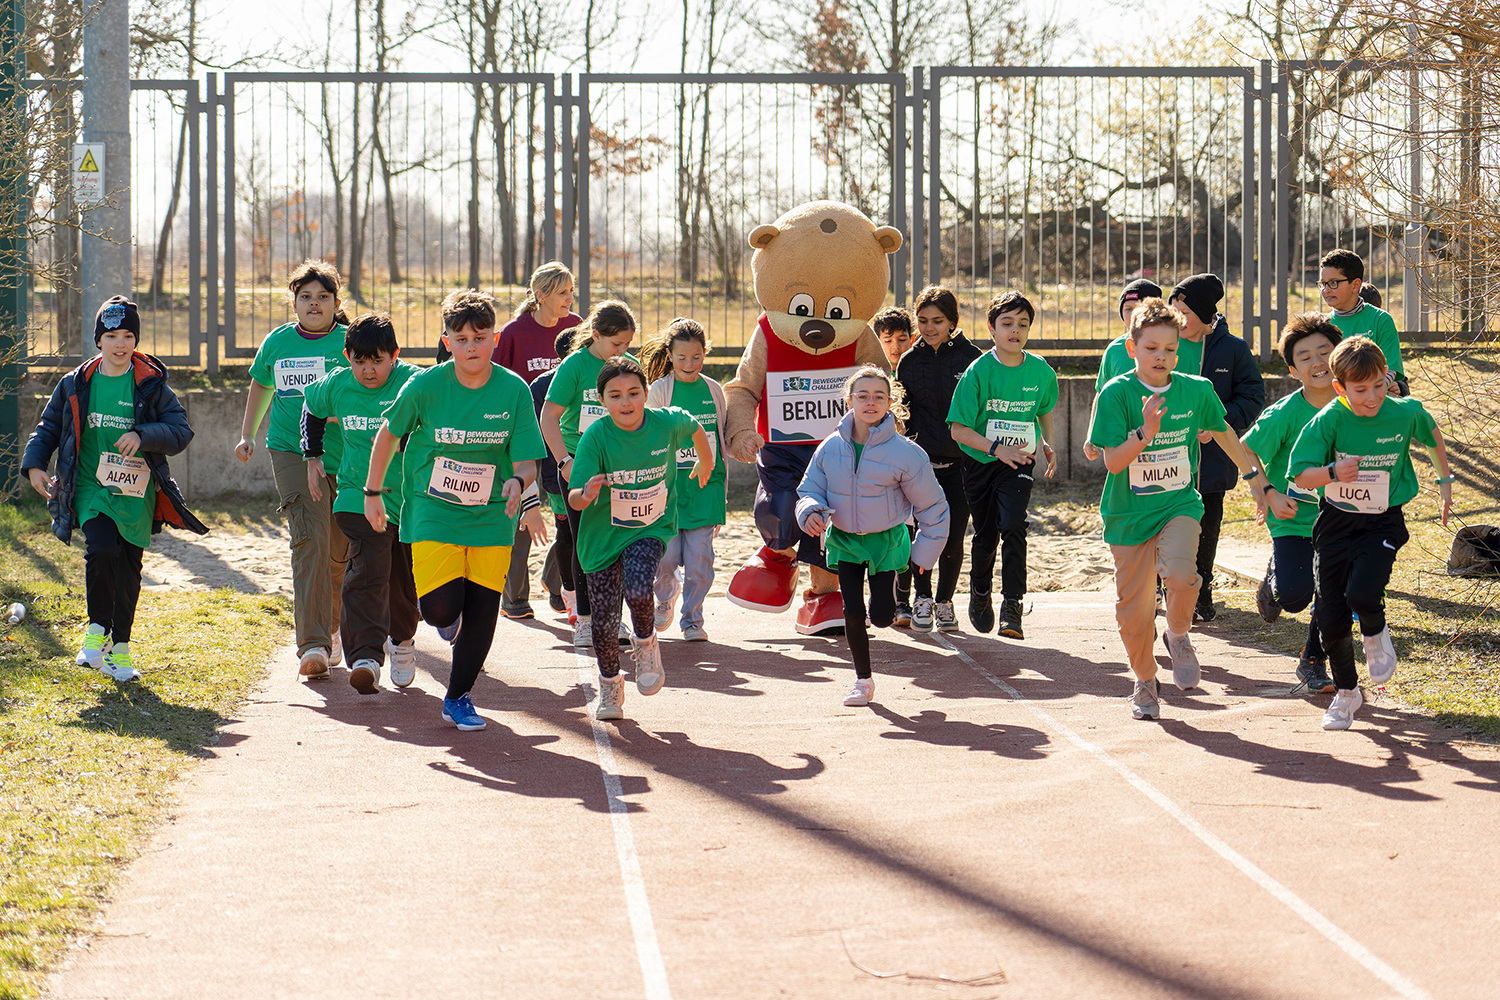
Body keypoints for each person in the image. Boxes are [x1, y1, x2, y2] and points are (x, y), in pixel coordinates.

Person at [363, 289, 545, 732]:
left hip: (492, 515)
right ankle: (450, 619)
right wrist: (372, 491)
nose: (470, 347)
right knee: (442, 610)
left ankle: (459, 697)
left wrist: (518, 483)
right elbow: (388, 435)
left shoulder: (513, 389)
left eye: (479, 337)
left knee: (484, 609)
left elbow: (526, 458)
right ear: (446, 339)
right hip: (432, 509)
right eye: (460, 338)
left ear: (495, 339)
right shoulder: (425, 385)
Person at [1088, 299, 1271, 720]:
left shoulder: (1195, 390)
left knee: (1182, 574)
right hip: (1128, 516)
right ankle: (1145, 681)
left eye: (1170, 349)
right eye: (1152, 348)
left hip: (1180, 504)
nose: (1162, 357)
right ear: (1132, 348)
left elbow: (1224, 431)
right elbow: (1114, 461)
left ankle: (1179, 632)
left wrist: (1253, 477)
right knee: (1133, 617)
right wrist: (1146, 431)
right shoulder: (1116, 393)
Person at [23, 296, 207, 682]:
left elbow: (180, 431)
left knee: (129, 570)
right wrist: (35, 465)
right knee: (101, 548)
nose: (120, 344)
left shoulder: (150, 385)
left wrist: (142, 434)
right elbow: (49, 427)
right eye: (111, 336)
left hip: (135, 492)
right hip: (90, 485)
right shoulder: (76, 383)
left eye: (128, 335)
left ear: (136, 340)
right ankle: (96, 628)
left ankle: (119, 649)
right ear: (99, 341)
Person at [1288, 336, 1452, 731]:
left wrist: (1445, 482)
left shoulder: (1404, 411)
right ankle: (1347, 694)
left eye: (1379, 385)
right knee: (1330, 616)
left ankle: (1376, 633)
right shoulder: (1329, 418)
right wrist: (1332, 473)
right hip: (1336, 523)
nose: (1373, 396)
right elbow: (1300, 474)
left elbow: (1432, 437)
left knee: (1361, 594)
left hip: (1382, 520)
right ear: (1340, 388)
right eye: (1361, 390)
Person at [569, 356, 713, 721]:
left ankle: (646, 644)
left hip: (651, 527)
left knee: (637, 588)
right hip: (602, 537)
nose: (626, 402)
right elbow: (574, 496)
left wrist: (706, 461)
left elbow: (695, 426)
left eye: (634, 393)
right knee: (602, 623)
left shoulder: (665, 422)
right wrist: (585, 494)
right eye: (615, 396)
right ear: (602, 401)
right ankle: (610, 686)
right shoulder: (595, 437)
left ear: (647, 393)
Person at [797, 366, 949, 707]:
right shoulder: (830, 447)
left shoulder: (906, 453)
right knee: (852, 610)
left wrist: (924, 555)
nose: (870, 402)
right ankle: (863, 681)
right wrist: (809, 511)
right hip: (845, 540)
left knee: (880, 616)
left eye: (879, 396)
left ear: (890, 402)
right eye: (862, 396)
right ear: (849, 400)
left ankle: (885, 601)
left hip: (887, 540)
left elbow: (933, 507)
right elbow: (810, 488)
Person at [235, 260, 351, 678]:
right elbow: (262, 385)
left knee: (340, 551)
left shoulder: (347, 342)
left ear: (337, 303)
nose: (314, 304)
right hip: (289, 451)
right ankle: (313, 644)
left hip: (346, 454)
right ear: (294, 302)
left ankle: (334, 625)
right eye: (306, 297)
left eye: (323, 297)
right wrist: (247, 433)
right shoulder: (279, 342)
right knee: (309, 540)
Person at [301, 313, 420, 694]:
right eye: (359, 362)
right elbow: (312, 407)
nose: (368, 371)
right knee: (367, 570)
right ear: (347, 356)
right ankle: (366, 657)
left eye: (378, 362)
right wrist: (313, 454)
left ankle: (401, 641)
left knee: (402, 581)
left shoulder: (414, 383)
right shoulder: (337, 384)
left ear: (395, 356)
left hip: (408, 498)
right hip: (355, 493)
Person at [946, 291, 1059, 639]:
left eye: (1022, 324)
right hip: (981, 461)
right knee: (985, 535)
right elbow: (958, 429)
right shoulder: (978, 371)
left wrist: (1046, 442)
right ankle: (980, 591)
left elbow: (1044, 410)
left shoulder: (1040, 370)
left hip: (1020, 461)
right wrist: (996, 449)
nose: (1015, 330)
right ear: (992, 329)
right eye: (1007, 323)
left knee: (1013, 523)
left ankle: (1013, 605)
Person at [1240, 314, 1341, 694]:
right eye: (1305, 357)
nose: (1317, 362)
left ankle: (1313, 659)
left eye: (1324, 352)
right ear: (1293, 368)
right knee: (1296, 596)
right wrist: (1266, 491)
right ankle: (1275, 579)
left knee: (1333, 590)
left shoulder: (1359, 403)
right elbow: (1246, 449)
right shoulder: (1286, 413)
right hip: (1293, 519)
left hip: (1341, 520)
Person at [1167, 273, 1265, 622]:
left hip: (1211, 458)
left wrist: (1219, 422)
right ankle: (1171, 588)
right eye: (1173, 309)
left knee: (1207, 523)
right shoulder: (1165, 344)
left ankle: (1202, 589)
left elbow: (1253, 395)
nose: (1178, 319)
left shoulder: (1232, 348)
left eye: (1186, 312)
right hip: (1167, 455)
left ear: (1206, 314)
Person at [541, 300, 638, 651]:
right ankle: (584, 618)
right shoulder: (575, 367)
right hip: (579, 464)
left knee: (620, 542)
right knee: (584, 543)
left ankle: (613, 614)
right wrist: (564, 461)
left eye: (628, 344)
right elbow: (549, 416)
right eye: (616, 344)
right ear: (595, 335)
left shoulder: (629, 367)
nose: (622, 352)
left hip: (620, 469)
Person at [492, 262, 581, 620]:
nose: (570, 299)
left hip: (565, 434)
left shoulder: (576, 328)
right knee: (523, 515)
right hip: (523, 435)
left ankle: (554, 578)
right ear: (540, 295)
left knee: (569, 519)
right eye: (563, 292)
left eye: (571, 291)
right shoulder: (515, 332)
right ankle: (514, 597)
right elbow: (496, 378)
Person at [892, 285, 980, 632]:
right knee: (925, 536)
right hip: (922, 467)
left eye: (938, 321)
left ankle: (945, 602)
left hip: (963, 465)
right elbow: (904, 414)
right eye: (923, 321)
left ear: (952, 322)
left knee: (954, 536)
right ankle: (923, 598)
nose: (930, 328)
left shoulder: (972, 358)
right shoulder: (909, 362)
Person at [642, 319, 728, 642]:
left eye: (696, 357)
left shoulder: (713, 390)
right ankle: (666, 595)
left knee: (700, 560)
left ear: (705, 353)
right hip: (668, 491)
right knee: (666, 558)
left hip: (706, 488)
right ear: (670, 355)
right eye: (681, 358)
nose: (689, 365)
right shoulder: (661, 390)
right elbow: (649, 436)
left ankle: (693, 619)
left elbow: (721, 437)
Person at [1083, 277, 1162, 463]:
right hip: (1123, 440)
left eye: (1139, 308)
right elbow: (1102, 393)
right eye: (1128, 309)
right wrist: (1092, 434)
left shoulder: (1173, 345)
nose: (1133, 314)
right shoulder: (1114, 350)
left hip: (1163, 439)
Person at [529, 330, 578, 624]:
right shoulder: (543, 386)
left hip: (591, 470)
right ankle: (567, 592)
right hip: (555, 474)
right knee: (566, 534)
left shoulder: (601, 377)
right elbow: (534, 434)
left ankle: (574, 592)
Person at [1319, 248, 1408, 397]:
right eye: (1323, 284)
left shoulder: (1381, 320)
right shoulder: (1323, 325)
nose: (1326, 290)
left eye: (1333, 283)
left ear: (1355, 285)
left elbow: (1390, 370)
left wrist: (1364, 395)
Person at [872, 306, 914, 371]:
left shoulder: (920, 371)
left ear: (912, 340)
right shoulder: (871, 376)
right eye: (888, 341)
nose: (896, 346)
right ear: (877, 343)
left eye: (902, 339)